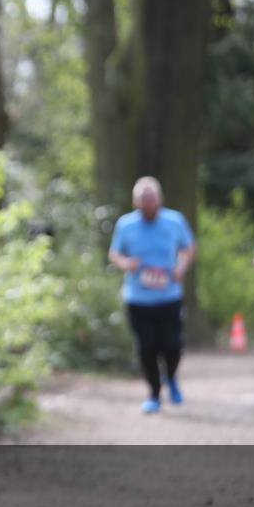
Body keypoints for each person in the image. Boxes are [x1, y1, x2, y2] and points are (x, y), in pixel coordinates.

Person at [108, 177, 196, 414]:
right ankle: (154, 393)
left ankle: (172, 377)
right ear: (136, 201)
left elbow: (188, 248)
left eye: (152, 198)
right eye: (143, 199)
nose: (148, 203)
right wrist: (126, 263)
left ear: (160, 199)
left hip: (169, 296)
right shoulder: (125, 224)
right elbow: (114, 253)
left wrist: (181, 267)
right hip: (138, 298)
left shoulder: (175, 221)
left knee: (173, 345)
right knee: (147, 347)